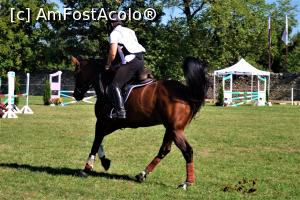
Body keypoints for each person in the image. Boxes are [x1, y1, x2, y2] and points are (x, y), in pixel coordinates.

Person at [105, 13, 146, 119]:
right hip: (141, 60)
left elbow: (112, 53)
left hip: (131, 61)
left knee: (114, 85)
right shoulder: (130, 31)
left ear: (112, 23)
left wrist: (108, 64)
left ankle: (120, 111)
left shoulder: (114, 33)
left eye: (109, 24)